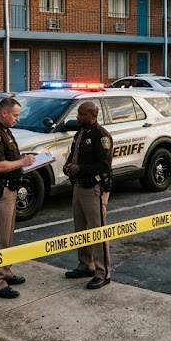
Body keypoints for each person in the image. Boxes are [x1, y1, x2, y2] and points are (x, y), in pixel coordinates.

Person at [0, 97, 36, 299]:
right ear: (4, 113)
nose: (17, 119)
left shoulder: (5, 130)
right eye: (15, 115)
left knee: (7, 237)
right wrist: (23, 161)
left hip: (9, 190)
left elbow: (8, 160)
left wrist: (24, 162)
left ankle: (5, 272)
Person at [63, 101, 114, 289]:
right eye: (78, 113)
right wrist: (68, 165)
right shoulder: (80, 132)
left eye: (82, 114)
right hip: (78, 186)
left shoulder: (102, 136)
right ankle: (86, 265)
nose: (78, 117)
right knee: (81, 229)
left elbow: (104, 166)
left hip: (94, 188)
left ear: (93, 116)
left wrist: (80, 169)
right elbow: (73, 155)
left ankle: (103, 272)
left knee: (97, 230)